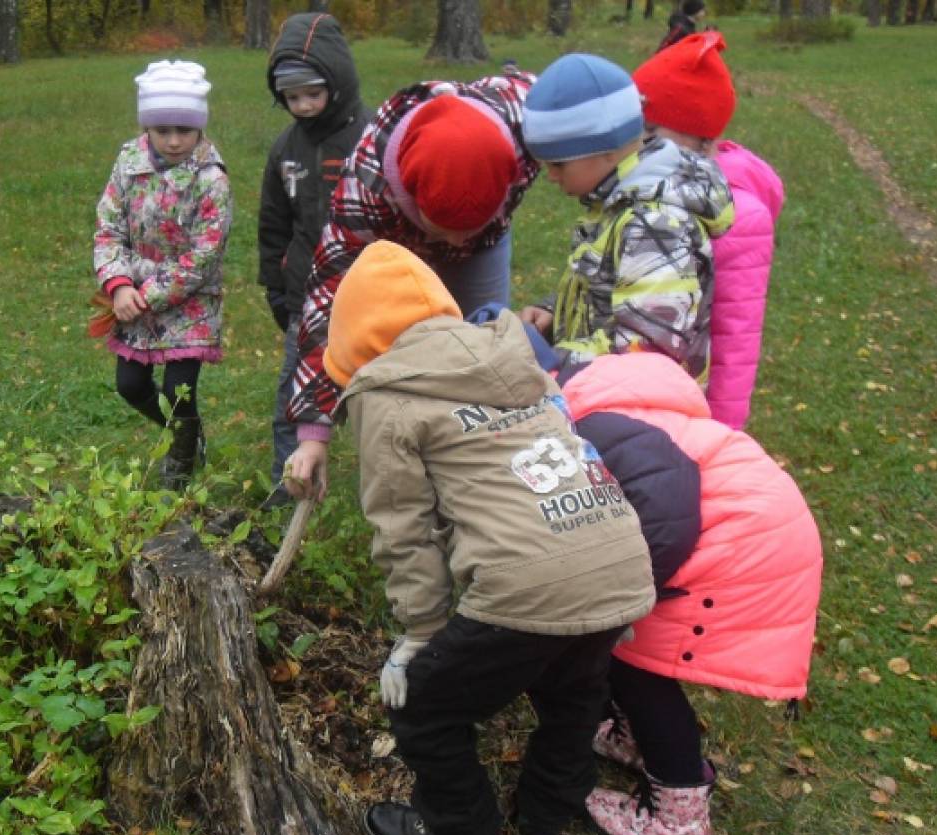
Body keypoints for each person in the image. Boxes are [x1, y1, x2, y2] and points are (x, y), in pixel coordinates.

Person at [325, 240, 656, 835]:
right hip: (618, 555)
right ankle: (546, 815)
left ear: (356, 342)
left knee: (425, 704)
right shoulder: (512, 357)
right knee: (571, 693)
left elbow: (404, 528)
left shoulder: (386, 394)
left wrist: (422, 631)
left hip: (529, 581)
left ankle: (457, 826)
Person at [484, 315, 820, 835]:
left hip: (734, 546)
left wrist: (615, 596)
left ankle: (678, 814)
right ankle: (635, 737)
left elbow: (665, 515)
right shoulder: (613, 405)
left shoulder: (588, 425)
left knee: (642, 666)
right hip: (749, 533)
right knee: (624, 649)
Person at [281, 66, 542, 502]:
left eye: (469, 229)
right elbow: (330, 298)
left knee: (481, 340)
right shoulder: (366, 188)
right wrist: (313, 431)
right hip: (397, 238)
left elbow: (593, 109)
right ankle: (420, 451)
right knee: (401, 343)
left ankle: (485, 463)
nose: (458, 242)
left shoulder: (526, 121)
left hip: (487, 244)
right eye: (448, 231)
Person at [517, 53, 734, 381]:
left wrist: (546, 358)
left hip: (638, 410)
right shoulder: (620, 201)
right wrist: (552, 311)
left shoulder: (654, 224)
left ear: (607, 147)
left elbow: (645, 352)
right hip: (604, 392)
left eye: (558, 164)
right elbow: (606, 291)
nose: (550, 176)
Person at [633, 32, 785, 430]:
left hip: (688, 402)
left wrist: (723, 428)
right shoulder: (647, 185)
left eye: (649, 133)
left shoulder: (741, 217)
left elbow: (738, 334)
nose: (635, 144)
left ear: (700, 141)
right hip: (637, 376)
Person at [93, 59, 233, 489]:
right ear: (147, 128)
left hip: (189, 301)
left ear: (199, 129)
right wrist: (117, 285)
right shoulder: (129, 162)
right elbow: (108, 228)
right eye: (163, 130)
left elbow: (202, 256)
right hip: (131, 296)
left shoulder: (211, 180)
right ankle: (181, 431)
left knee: (178, 390)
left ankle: (182, 457)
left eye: (185, 131)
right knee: (130, 384)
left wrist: (147, 294)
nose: (174, 142)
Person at [258, 12, 368, 506]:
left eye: (312, 94)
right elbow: (273, 224)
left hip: (367, 295)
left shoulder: (370, 138)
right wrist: (276, 287)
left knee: (376, 399)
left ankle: (388, 486)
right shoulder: (286, 149)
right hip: (305, 296)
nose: (302, 106)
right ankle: (291, 492)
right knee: (293, 398)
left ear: (337, 83)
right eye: (291, 97)